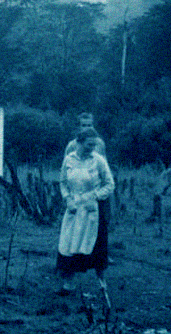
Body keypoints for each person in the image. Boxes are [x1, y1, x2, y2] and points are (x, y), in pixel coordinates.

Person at [56, 127, 115, 296]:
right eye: (89, 144)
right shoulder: (69, 159)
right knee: (69, 243)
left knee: (97, 246)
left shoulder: (98, 160)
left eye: (94, 145)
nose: (92, 148)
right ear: (79, 143)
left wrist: (95, 196)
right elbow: (63, 182)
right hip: (74, 208)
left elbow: (110, 184)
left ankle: (102, 282)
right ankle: (68, 283)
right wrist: (67, 198)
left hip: (92, 209)